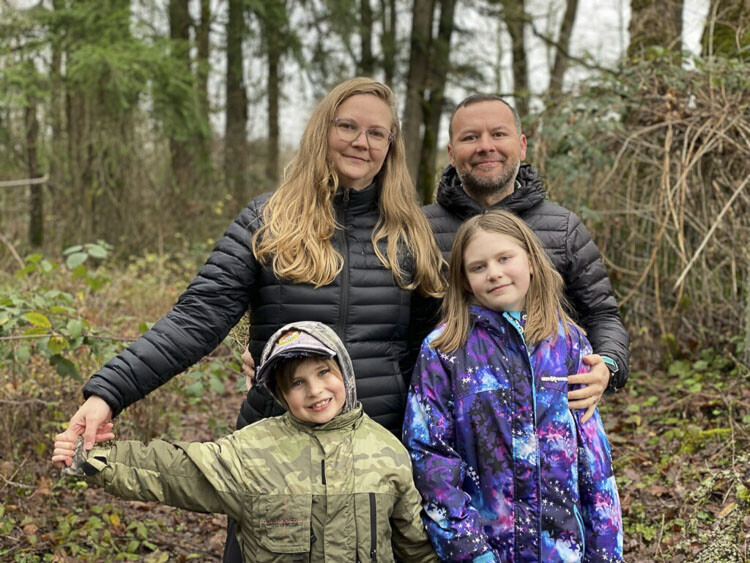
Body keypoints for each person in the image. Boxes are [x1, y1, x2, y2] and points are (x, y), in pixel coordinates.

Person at [54, 77, 446, 561]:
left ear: (392, 145)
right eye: (347, 126)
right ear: (323, 130)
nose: (360, 142)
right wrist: (108, 393)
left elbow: (440, 345)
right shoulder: (269, 220)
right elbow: (195, 319)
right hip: (271, 452)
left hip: (376, 455)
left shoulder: (411, 234)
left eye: (376, 133)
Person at [54, 322, 439, 562]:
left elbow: (414, 545)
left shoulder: (387, 450)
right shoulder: (252, 450)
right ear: (280, 393)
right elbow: (174, 471)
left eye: (324, 372)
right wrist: (90, 456)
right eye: (297, 382)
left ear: (346, 373)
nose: (316, 390)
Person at [403, 210, 623, 562]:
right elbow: (431, 459)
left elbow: (594, 463)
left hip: (562, 551)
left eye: (505, 258)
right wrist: (470, 551)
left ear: (532, 262)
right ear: (463, 280)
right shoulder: (444, 350)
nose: (494, 273)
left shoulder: (567, 343)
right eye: (478, 267)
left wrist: (605, 552)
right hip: (485, 549)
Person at [417, 94, 630, 422]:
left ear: (522, 145)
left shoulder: (563, 229)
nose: (485, 146)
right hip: (453, 426)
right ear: (451, 152)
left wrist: (608, 366)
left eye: (498, 134)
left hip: (550, 427)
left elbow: (603, 316)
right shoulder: (418, 230)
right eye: (470, 137)